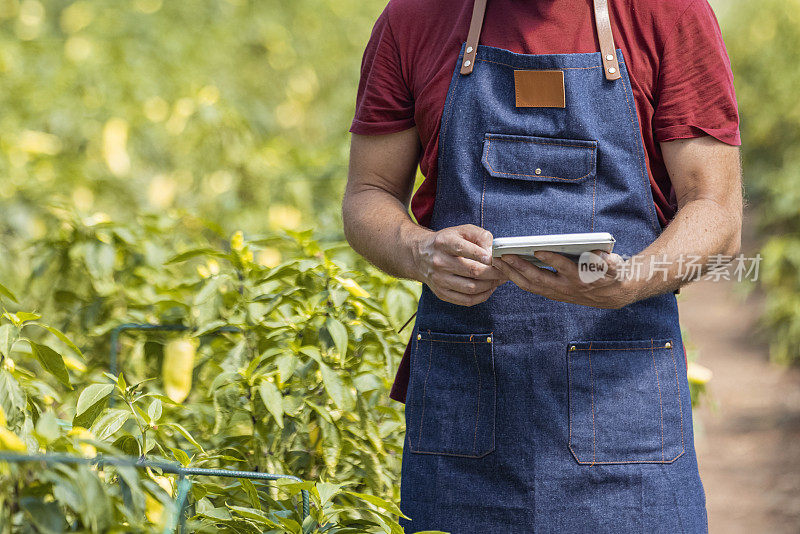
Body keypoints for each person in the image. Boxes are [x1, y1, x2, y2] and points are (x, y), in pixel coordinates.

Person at [342, 0, 742, 531]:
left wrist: (629, 281)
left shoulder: (666, 14)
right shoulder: (415, 18)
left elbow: (716, 209)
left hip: (623, 411)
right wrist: (422, 252)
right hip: (464, 410)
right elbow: (368, 193)